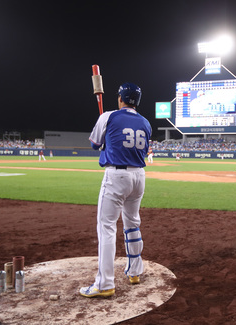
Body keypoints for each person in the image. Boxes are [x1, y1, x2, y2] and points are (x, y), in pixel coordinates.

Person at [80, 82, 152, 298]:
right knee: (132, 223)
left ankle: (105, 284)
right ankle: (135, 271)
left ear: (120, 98)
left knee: (107, 228)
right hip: (139, 176)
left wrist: (104, 144)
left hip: (116, 177)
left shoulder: (108, 116)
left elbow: (94, 143)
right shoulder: (146, 123)